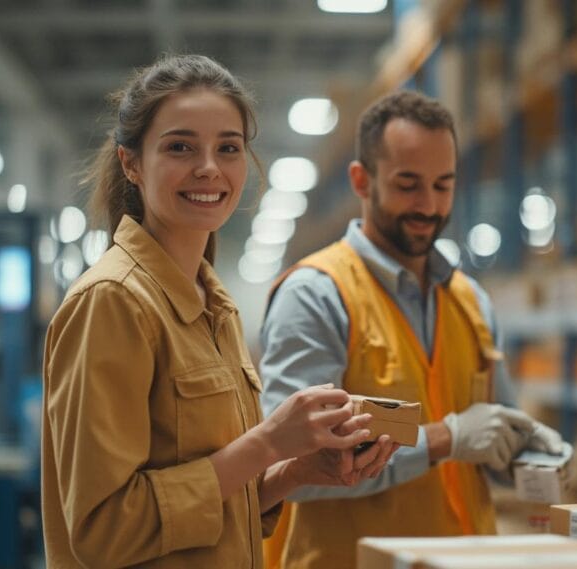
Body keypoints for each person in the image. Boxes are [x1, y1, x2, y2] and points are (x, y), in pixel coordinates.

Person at [40, 54, 397, 569]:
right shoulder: (113, 303)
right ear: (131, 163)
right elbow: (103, 532)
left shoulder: (214, 305)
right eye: (180, 146)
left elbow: (207, 517)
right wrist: (267, 442)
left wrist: (292, 470)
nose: (208, 167)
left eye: (228, 147)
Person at [260, 91, 566, 569]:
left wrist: (530, 456)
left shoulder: (470, 301)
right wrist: (445, 438)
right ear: (362, 180)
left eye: (443, 185)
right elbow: (286, 467)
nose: (428, 205)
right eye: (408, 185)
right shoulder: (318, 296)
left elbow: (489, 436)